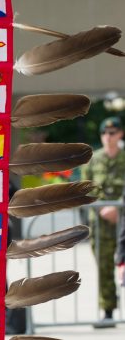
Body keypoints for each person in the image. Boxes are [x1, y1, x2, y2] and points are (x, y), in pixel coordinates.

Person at [81, 116, 125, 328]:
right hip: (101, 224)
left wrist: (119, 208)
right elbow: (86, 188)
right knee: (105, 268)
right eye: (104, 133)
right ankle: (108, 311)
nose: (108, 137)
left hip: (123, 221)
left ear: (120, 134)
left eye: (112, 133)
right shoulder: (93, 159)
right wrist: (102, 209)